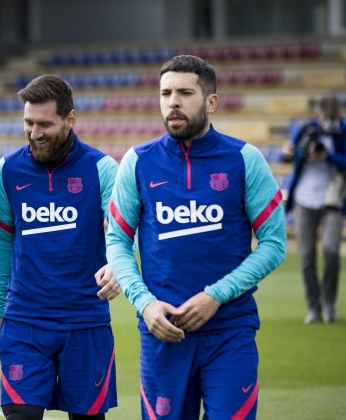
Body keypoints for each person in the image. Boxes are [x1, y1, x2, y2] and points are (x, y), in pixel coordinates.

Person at [106, 55, 286, 419]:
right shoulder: (138, 162)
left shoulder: (244, 160)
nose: (173, 101)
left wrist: (215, 296)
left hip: (229, 332)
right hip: (162, 333)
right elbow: (117, 243)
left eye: (185, 92)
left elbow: (273, 244)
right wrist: (145, 303)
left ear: (211, 101)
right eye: (166, 93)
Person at [0, 75, 120, 420]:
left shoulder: (102, 169)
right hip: (24, 319)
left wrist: (118, 267)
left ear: (70, 119)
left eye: (45, 124)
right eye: (28, 123)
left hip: (85, 320)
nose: (34, 133)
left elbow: (121, 231)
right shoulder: (6, 171)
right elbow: (2, 239)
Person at [282, 95, 346, 323]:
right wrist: (289, 153)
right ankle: (314, 307)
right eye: (327, 118)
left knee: (332, 251)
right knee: (306, 257)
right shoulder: (306, 130)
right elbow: (290, 156)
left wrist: (328, 156)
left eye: (335, 118)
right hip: (304, 200)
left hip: (332, 200)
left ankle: (330, 303)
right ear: (318, 116)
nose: (331, 122)